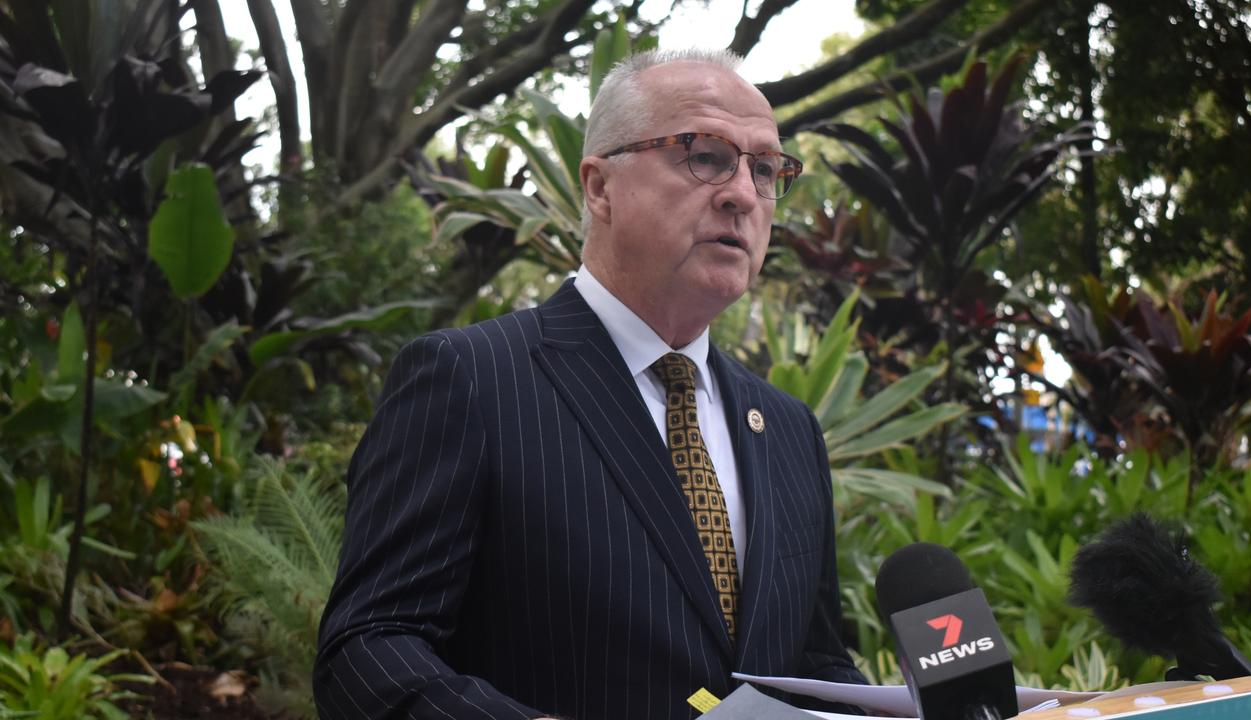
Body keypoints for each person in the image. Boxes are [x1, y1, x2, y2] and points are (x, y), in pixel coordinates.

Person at [314, 48, 868, 719]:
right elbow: (368, 649)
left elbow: (814, 664)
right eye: (706, 155)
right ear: (601, 186)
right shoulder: (470, 380)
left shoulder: (787, 428)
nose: (743, 193)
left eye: (764, 168)